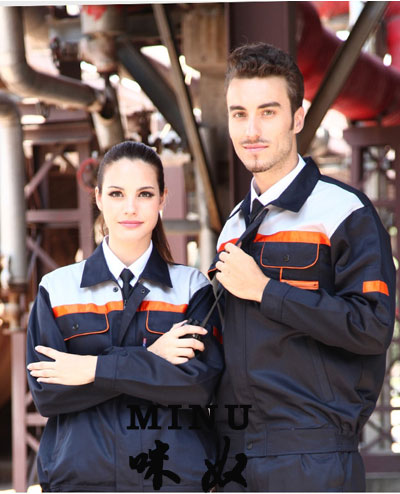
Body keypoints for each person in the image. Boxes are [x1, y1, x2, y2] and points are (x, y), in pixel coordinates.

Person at [209, 42, 396, 492]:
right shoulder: (233, 226)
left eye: (267, 112)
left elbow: (371, 326)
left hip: (313, 457)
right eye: (239, 114)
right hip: (234, 457)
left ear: (297, 118)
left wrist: (267, 291)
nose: (251, 130)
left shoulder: (343, 212)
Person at [26, 141, 224, 492]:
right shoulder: (56, 290)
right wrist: (152, 359)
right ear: (99, 198)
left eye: (144, 194)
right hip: (81, 481)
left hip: (173, 479)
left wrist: (91, 369)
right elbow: (49, 394)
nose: (130, 207)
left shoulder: (191, 288)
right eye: (117, 194)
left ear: (162, 199)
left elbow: (197, 386)